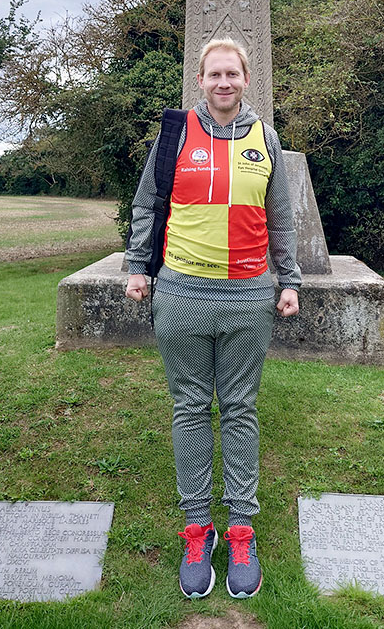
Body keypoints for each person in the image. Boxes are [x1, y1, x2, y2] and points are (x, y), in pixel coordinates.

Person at [125, 37, 301, 600]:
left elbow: (281, 216)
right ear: (199, 79)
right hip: (181, 290)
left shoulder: (265, 137)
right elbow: (148, 204)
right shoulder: (174, 136)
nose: (223, 83)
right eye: (214, 74)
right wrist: (137, 268)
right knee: (191, 407)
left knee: (241, 407)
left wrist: (290, 279)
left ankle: (242, 528)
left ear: (246, 79)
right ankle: (198, 528)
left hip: (249, 293)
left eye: (232, 74)